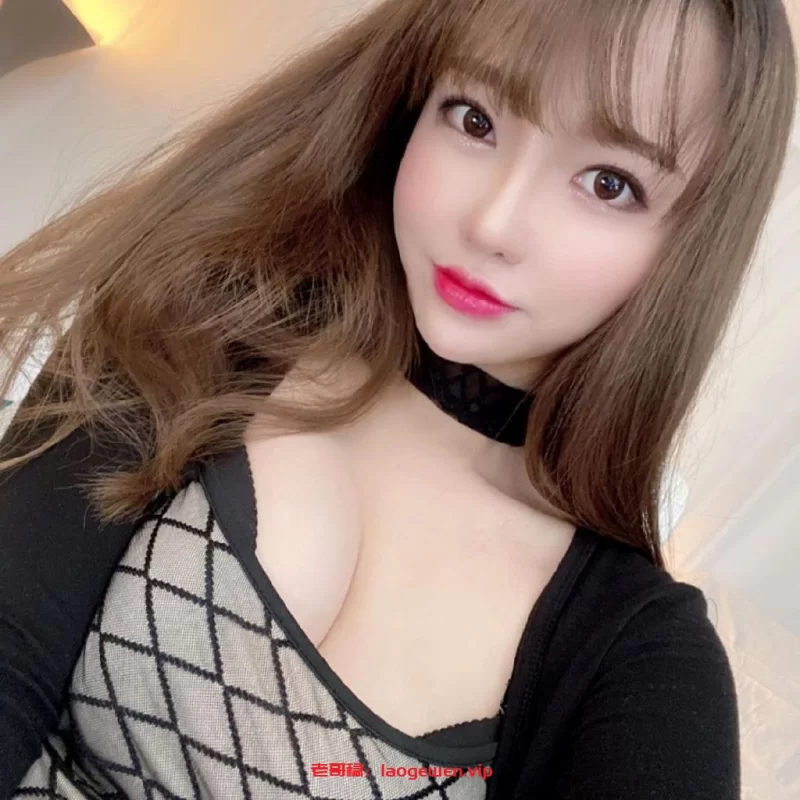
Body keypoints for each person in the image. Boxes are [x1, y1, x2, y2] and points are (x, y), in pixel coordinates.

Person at [0, 0, 796, 797]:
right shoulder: (202, 318)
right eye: (475, 118)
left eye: (609, 183)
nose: (493, 224)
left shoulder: (637, 654)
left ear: (689, 247)